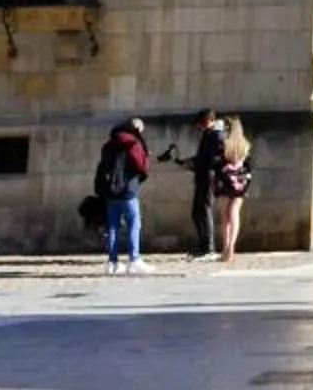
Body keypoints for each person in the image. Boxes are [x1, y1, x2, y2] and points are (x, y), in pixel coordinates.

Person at [161, 109, 226, 260]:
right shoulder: (209, 134)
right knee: (197, 212)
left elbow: (213, 159)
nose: (199, 126)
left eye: (201, 123)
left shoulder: (216, 134)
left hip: (208, 176)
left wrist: (194, 163)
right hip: (203, 175)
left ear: (208, 120)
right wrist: (189, 162)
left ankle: (208, 247)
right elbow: (203, 156)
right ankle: (203, 245)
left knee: (203, 210)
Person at [94, 115, 150, 273]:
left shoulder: (108, 145)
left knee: (112, 226)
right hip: (128, 190)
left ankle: (112, 262)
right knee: (134, 224)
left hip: (111, 191)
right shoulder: (133, 144)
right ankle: (134, 259)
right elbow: (141, 165)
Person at [213, 118, 253, 262]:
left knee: (225, 217)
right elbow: (249, 166)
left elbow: (216, 163)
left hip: (225, 182)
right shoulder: (246, 145)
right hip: (240, 183)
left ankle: (225, 248)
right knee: (235, 213)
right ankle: (231, 247)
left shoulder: (224, 144)